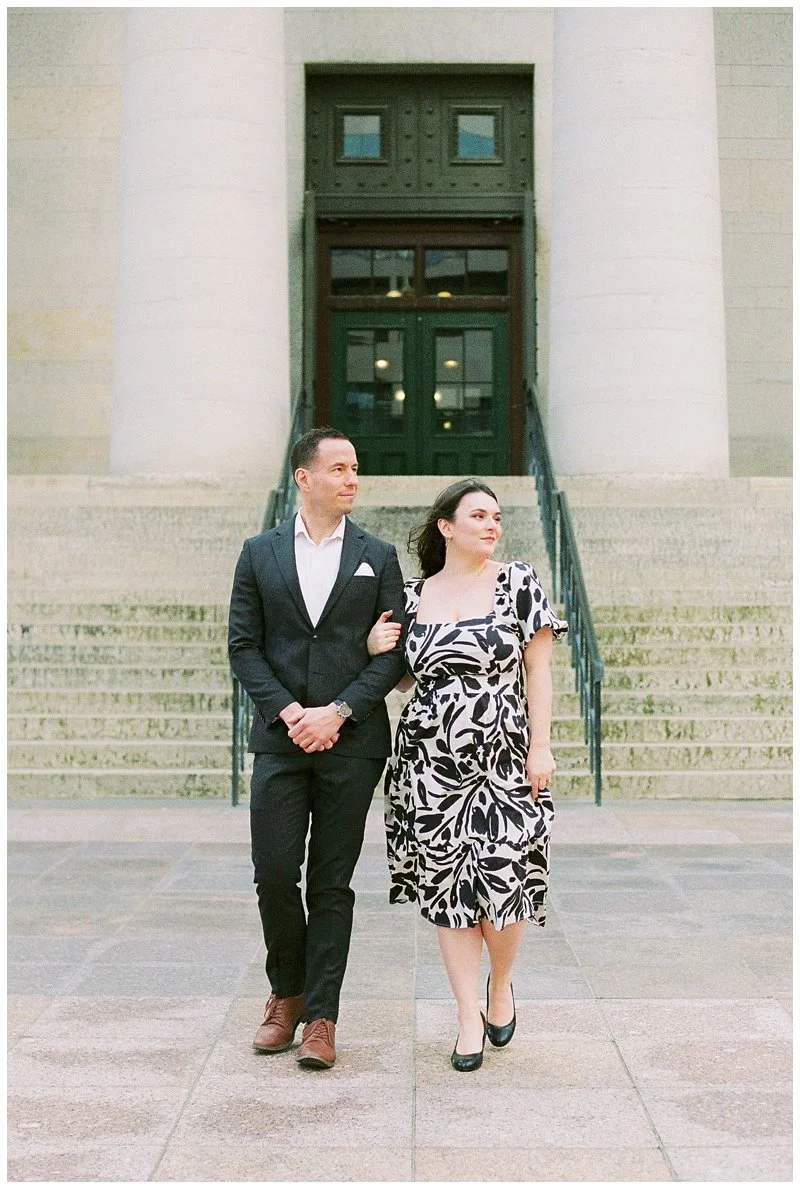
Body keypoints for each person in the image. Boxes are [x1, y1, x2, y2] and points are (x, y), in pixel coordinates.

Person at [368, 478, 567, 1071]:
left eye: (497, 517)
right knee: (448, 892)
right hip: (430, 764)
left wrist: (542, 747)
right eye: (478, 515)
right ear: (445, 527)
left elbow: (539, 671)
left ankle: (499, 985)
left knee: (507, 887)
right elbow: (407, 681)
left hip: (506, 757)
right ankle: (463, 1015)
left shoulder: (518, 582)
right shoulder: (411, 594)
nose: (492, 525)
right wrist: (377, 648)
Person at [228, 427, 406, 1070]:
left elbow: (393, 653)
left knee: (331, 882)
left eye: (355, 468)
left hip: (350, 741)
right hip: (280, 739)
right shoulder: (258, 552)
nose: (352, 478)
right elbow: (243, 646)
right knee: (275, 873)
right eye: (339, 468)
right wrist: (288, 711)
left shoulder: (378, 556)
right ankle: (286, 992)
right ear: (304, 477)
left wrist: (337, 711)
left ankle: (321, 1017)